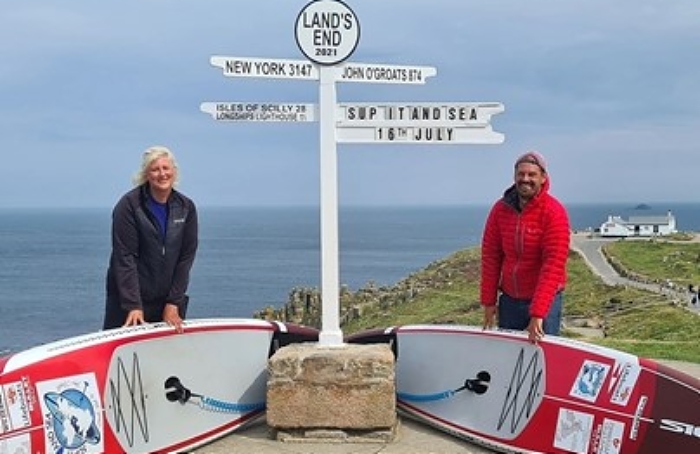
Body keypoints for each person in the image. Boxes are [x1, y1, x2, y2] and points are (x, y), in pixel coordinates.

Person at [103, 145, 198, 333]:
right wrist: (133, 305)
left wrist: (173, 303)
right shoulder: (129, 206)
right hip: (129, 301)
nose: (162, 174)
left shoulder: (186, 207)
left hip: (167, 302)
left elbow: (186, 258)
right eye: (155, 169)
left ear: (174, 171)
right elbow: (125, 257)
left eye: (166, 168)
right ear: (146, 174)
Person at [480, 151, 570, 343]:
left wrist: (538, 313)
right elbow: (491, 256)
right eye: (521, 174)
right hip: (510, 300)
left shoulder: (554, 212)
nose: (525, 179)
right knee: (510, 357)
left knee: (543, 358)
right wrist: (489, 301)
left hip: (545, 301)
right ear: (514, 176)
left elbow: (553, 265)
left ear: (543, 177)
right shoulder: (500, 209)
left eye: (532, 175)